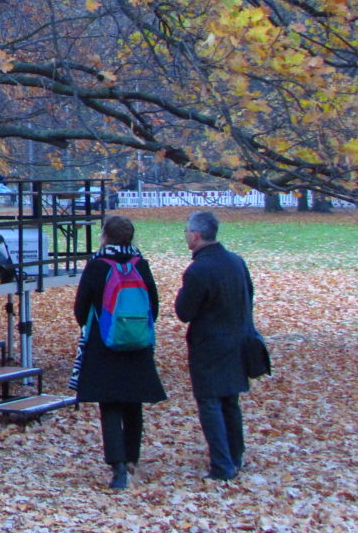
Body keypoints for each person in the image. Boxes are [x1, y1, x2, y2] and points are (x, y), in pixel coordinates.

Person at [72, 215, 167, 490]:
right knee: (133, 402)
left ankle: (118, 468)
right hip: (137, 343)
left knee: (110, 404)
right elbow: (153, 306)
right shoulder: (140, 264)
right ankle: (132, 457)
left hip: (104, 342)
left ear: (105, 236)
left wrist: (95, 326)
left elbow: (81, 308)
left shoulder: (97, 265)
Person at [174, 210, 256, 481]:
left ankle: (222, 465)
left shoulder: (198, 270)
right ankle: (235, 455)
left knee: (210, 402)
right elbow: (248, 296)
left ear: (196, 235)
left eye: (187, 231)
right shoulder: (236, 262)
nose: (186, 236)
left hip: (209, 345)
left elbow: (184, 312)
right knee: (230, 400)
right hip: (237, 339)